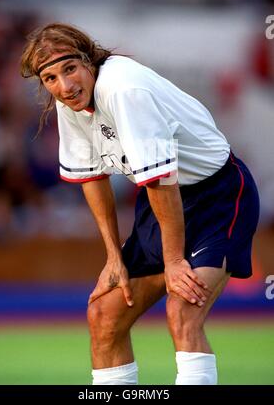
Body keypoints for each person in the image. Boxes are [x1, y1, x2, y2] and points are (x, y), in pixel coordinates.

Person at [21, 23, 260, 385]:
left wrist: (174, 259)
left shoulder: (123, 90)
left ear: (88, 60)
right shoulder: (69, 100)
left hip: (218, 197)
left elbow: (161, 180)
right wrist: (113, 257)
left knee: (182, 311)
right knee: (104, 314)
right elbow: (92, 176)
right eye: (50, 78)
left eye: (69, 69)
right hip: (161, 203)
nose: (64, 86)